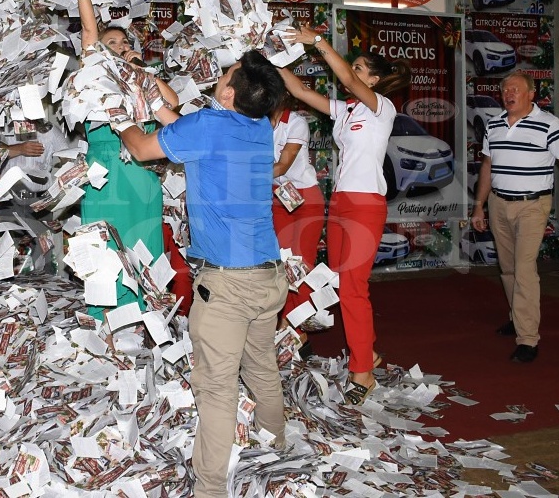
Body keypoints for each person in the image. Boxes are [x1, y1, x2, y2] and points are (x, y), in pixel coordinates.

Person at [117, 50, 288, 498]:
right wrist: (152, 99)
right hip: (269, 277)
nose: (219, 76)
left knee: (216, 387)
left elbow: (140, 149)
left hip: (228, 285)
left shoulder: (209, 127)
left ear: (228, 93)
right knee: (262, 368)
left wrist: (117, 111)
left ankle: (210, 489)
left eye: (225, 75)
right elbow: (185, 128)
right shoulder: (258, 129)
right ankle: (278, 453)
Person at [279, 26, 410, 405]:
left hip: (366, 204)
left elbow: (348, 80)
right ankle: (368, 353)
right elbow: (301, 92)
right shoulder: (348, 109)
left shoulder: (382, 107)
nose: (352, 74)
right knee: (338, 279)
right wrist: (272, 59)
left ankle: (363, 372)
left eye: (359, 69)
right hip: (340, 202)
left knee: (353, 287)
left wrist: (317, 42)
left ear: (374, 79)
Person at [65, 0, 179, 321]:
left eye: (121, 44)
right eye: (109, 43)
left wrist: (140, 69)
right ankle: (103, 323)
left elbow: (172, 102)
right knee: (105, 248)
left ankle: (145, 319)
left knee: (143, 245)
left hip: (141, 176)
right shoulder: (95, 74)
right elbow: (87, 31)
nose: (115, 48)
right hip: (105, 173)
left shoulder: (141, 80)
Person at [469, 71, 559, 363]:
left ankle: (528, 339)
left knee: (524, 269)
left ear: (531, 94)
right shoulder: (494, 125)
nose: (508, 94)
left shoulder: (551, 125)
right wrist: (479, 205)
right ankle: (517, 316)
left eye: (515, 89)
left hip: (532, 205)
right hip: (499, 204)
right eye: (505, 90)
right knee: (508, 266)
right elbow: (488, 166)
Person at [271, 96, 325, 349]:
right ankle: (283, 323)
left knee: (301, 265)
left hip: (305, 199)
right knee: (281, 264)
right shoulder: (255, 121)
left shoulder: (296, 122)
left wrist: (241, 171)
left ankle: (298, 328)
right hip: (278, 198)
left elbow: (282, 166)